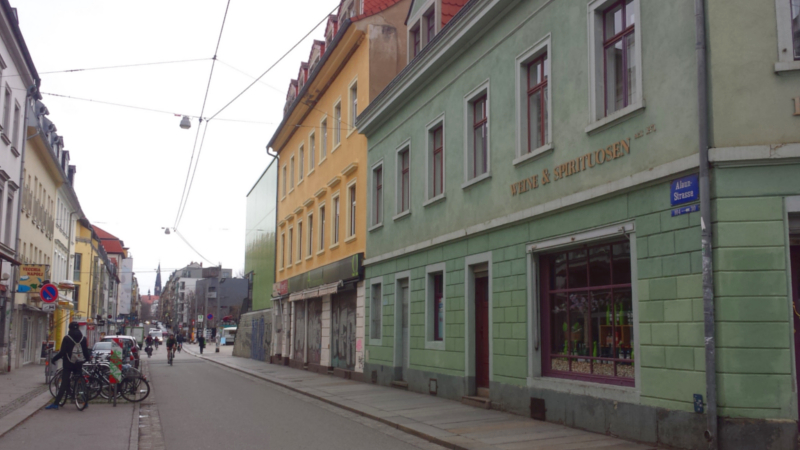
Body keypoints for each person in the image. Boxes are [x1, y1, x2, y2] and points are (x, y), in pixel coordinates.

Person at [46, 322, 91, 410]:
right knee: (80, 381)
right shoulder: (83, 338)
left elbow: (62, 352)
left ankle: (56, 404)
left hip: (68, 364)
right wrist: (88, 359)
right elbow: (85, 352)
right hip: (79, 363)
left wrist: (54, 359)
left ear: (69, 328)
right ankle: (84, 402)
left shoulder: (67, 338)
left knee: (64, 383)